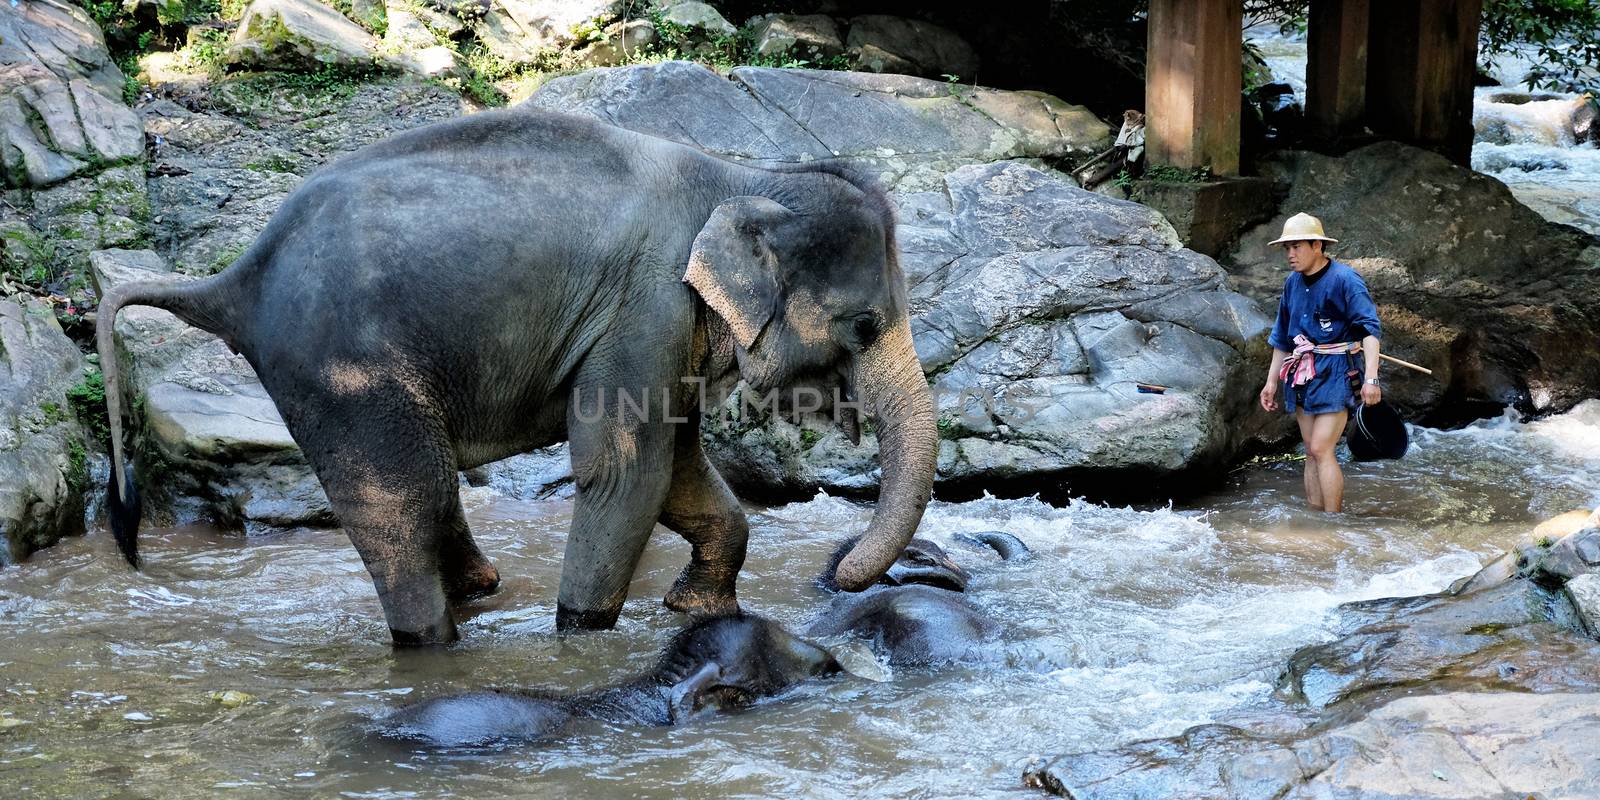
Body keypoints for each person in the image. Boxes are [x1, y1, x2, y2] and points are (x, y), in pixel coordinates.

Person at [1258, 213, 1382, 513]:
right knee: (1310, 451)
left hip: (1338, 372)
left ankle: (1334, 519)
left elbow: (1369, 330)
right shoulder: (1292, 283)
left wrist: (1371, 378)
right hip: (1302, 373)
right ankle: (1316, 518)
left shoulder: (1345, 279)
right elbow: (1282, 338)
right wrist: (1271, 382)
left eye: (1297, 246)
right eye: (1287, 248)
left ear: (1317, 245)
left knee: (1320, 447)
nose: (1290, 254)